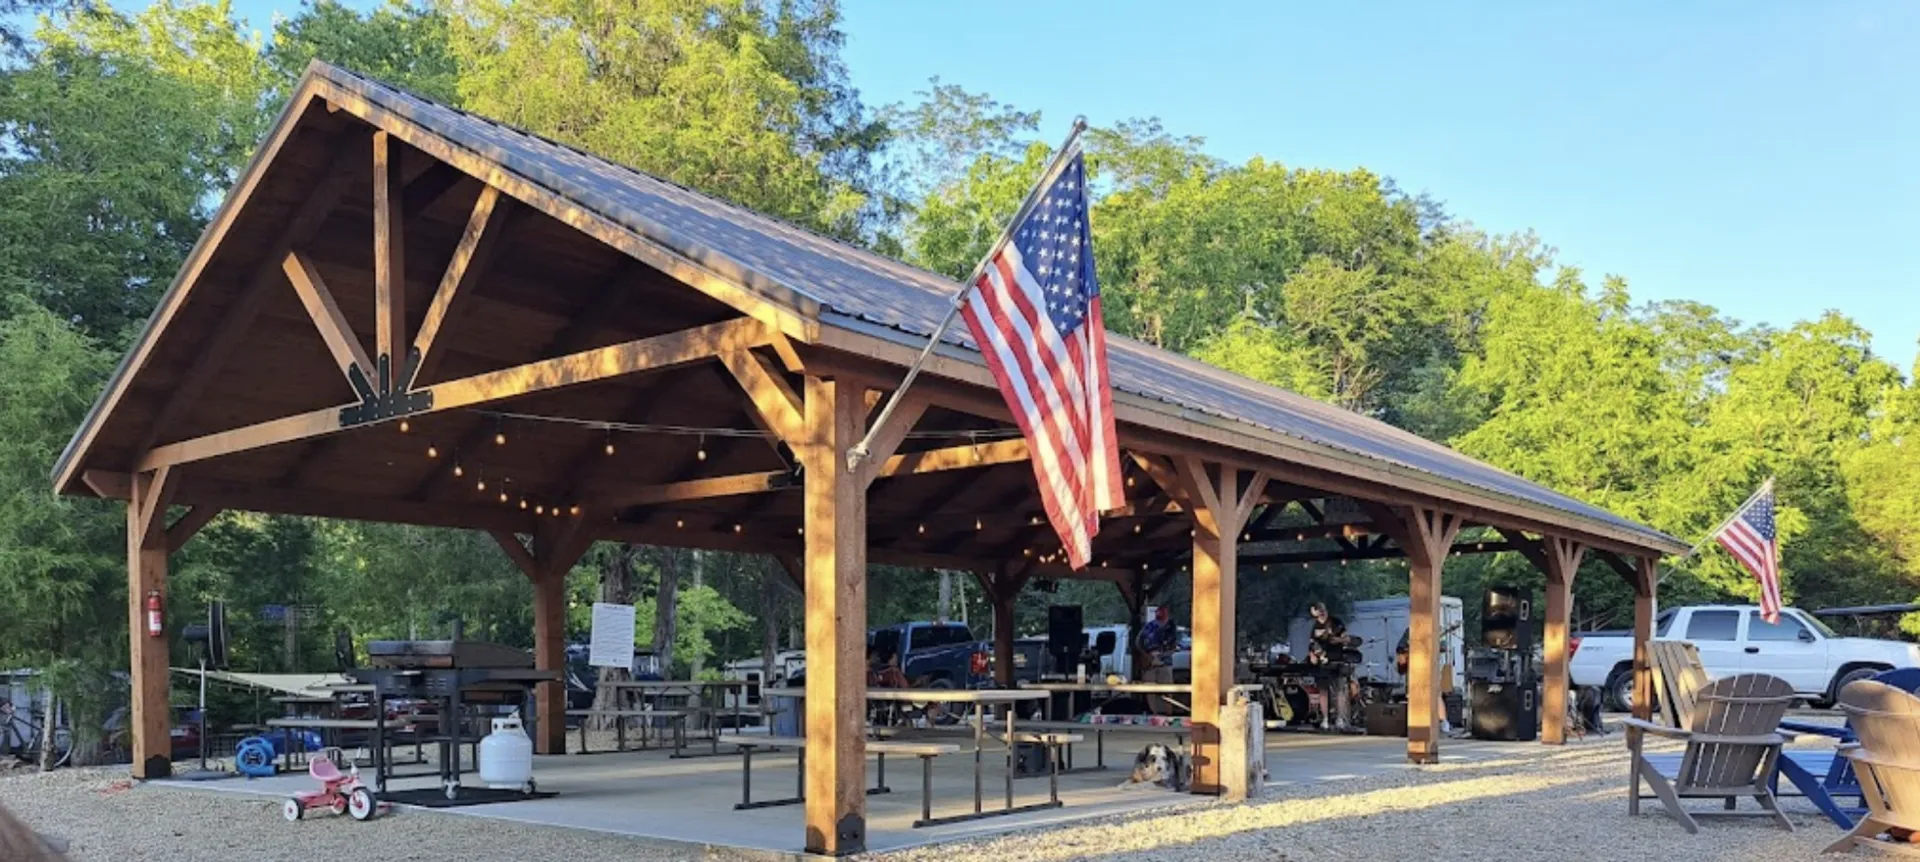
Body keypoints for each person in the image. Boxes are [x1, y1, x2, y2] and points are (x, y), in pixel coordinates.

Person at [1137, 606, 1181, 715]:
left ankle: (1168, 714)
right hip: (1149, 664)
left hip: (1165, 663)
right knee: (1150, 691)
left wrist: (1167, 652)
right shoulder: (1148, 627)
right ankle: (1153, 714)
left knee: (1167, 690)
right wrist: (1146, 656)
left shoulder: (1171, 627)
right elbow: (1138, 642)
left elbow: (1174, 645)